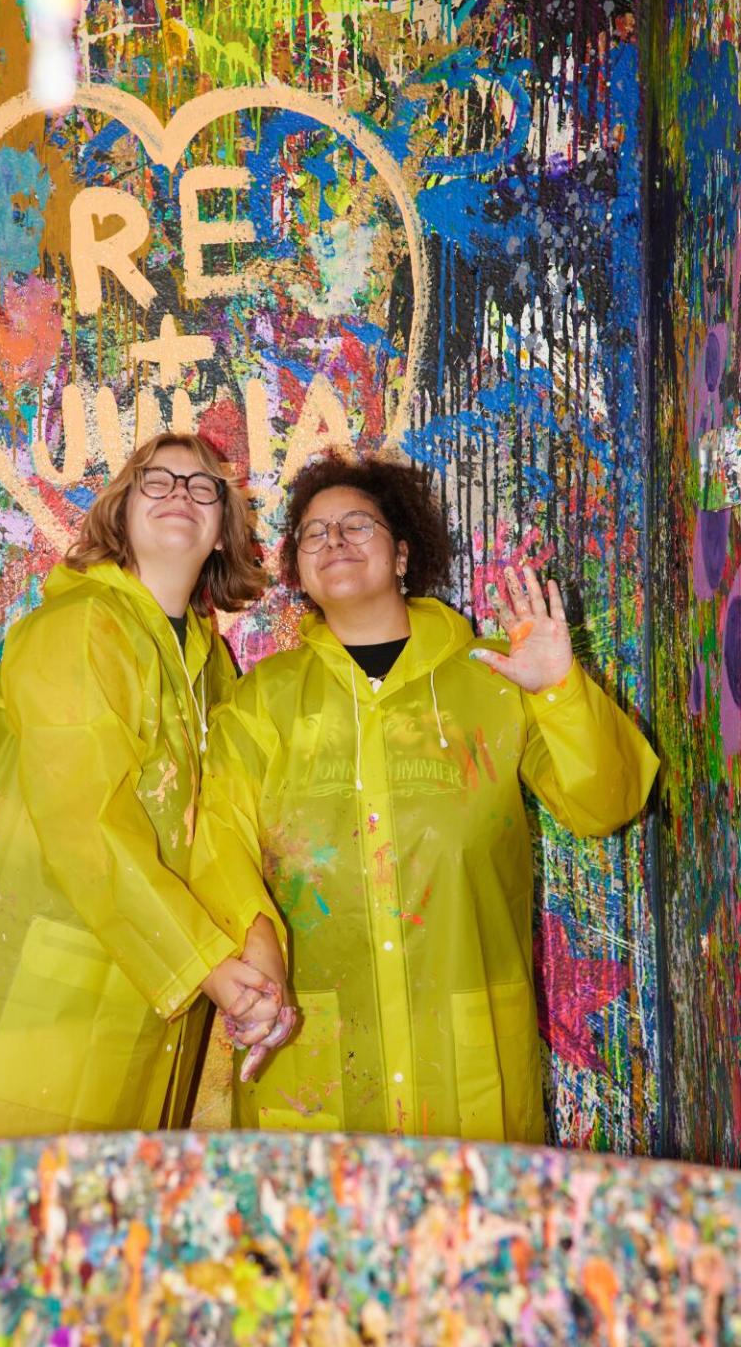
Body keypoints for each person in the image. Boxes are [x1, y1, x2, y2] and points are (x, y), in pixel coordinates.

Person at [190, 452, 659, 1141]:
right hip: (314, 1058)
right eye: (314, 534)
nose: (335, 540)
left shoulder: (495, 678)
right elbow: (217, 848)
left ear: (403, 552)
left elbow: (608, 802)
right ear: (298, 570)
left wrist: (561, 691)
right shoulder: (263, 702)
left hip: (468, 1066)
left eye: (358, 524)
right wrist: (255, 956)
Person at [0, 432, 280, 1150]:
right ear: (118, 515)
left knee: (94, 1243)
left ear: (223, 534)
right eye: (157, 481)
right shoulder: (79, 626)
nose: (180, 492)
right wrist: (208, 963)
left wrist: (256, 937)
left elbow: (221, 825)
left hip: (145, 1012)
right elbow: (84, 819)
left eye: (203, 485)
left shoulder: (214, 674)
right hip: (28, 1009)